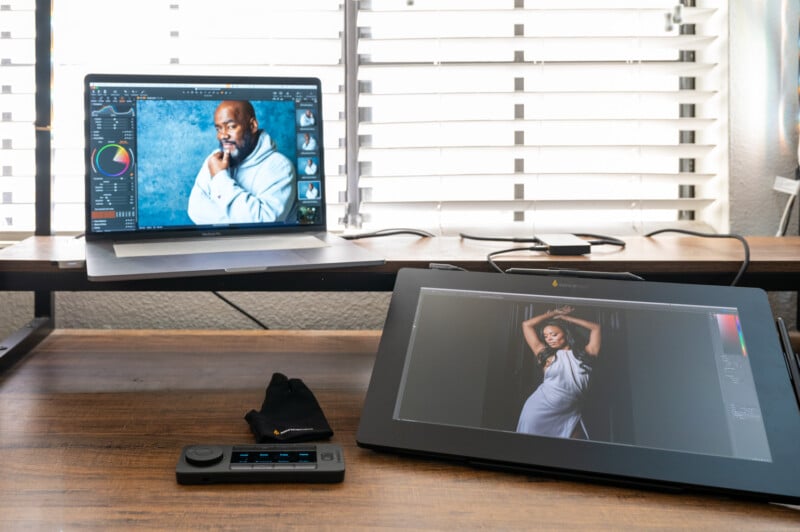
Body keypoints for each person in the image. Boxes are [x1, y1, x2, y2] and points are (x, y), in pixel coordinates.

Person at [188, 100, 295, 224]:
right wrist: (243, 218)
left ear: (252, 126)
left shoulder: (281, 167)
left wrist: (219, 177)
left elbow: (263, 222)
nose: (223, 136)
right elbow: (195, 210)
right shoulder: (215, 159)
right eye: (218, 129)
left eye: (231, 127)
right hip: (218, 243)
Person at [516, 305, 601, 439]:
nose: (549, 339)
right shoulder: (546, 356)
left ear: (566, 334)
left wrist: (567, 318)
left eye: (554, 334)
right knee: (532, 451)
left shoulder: (588, 353)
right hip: (539, 410)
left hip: (571, 412)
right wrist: (552, 313)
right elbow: (526, 325)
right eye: (546, 336)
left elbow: (596, 328)